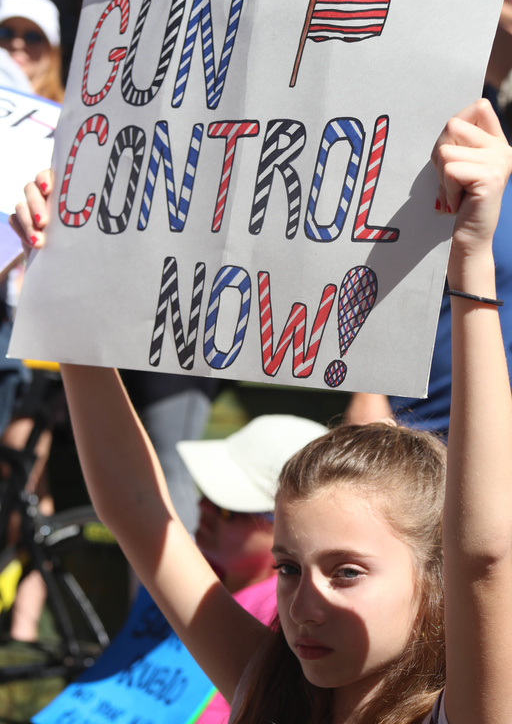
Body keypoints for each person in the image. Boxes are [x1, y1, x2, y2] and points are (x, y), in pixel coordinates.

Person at [11, 97, 512, 724]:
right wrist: (67, 281)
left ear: (436, 580)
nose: (304, 605)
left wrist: (471, 256)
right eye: (287, 567)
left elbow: (486, 555)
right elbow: (138, 512)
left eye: (347, 572)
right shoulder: (269, 687)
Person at [35, 415, 326, 724]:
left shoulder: (283, 615)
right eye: (205, 495)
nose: (204, 510)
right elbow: (130, 503)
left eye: (226, 508)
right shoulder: (201, 565)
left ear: (288, 527)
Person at [0, 0, 64, 102]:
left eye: (32, 37)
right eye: (6, 33)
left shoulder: (69, 115)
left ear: (51, 52)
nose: (17, 44)